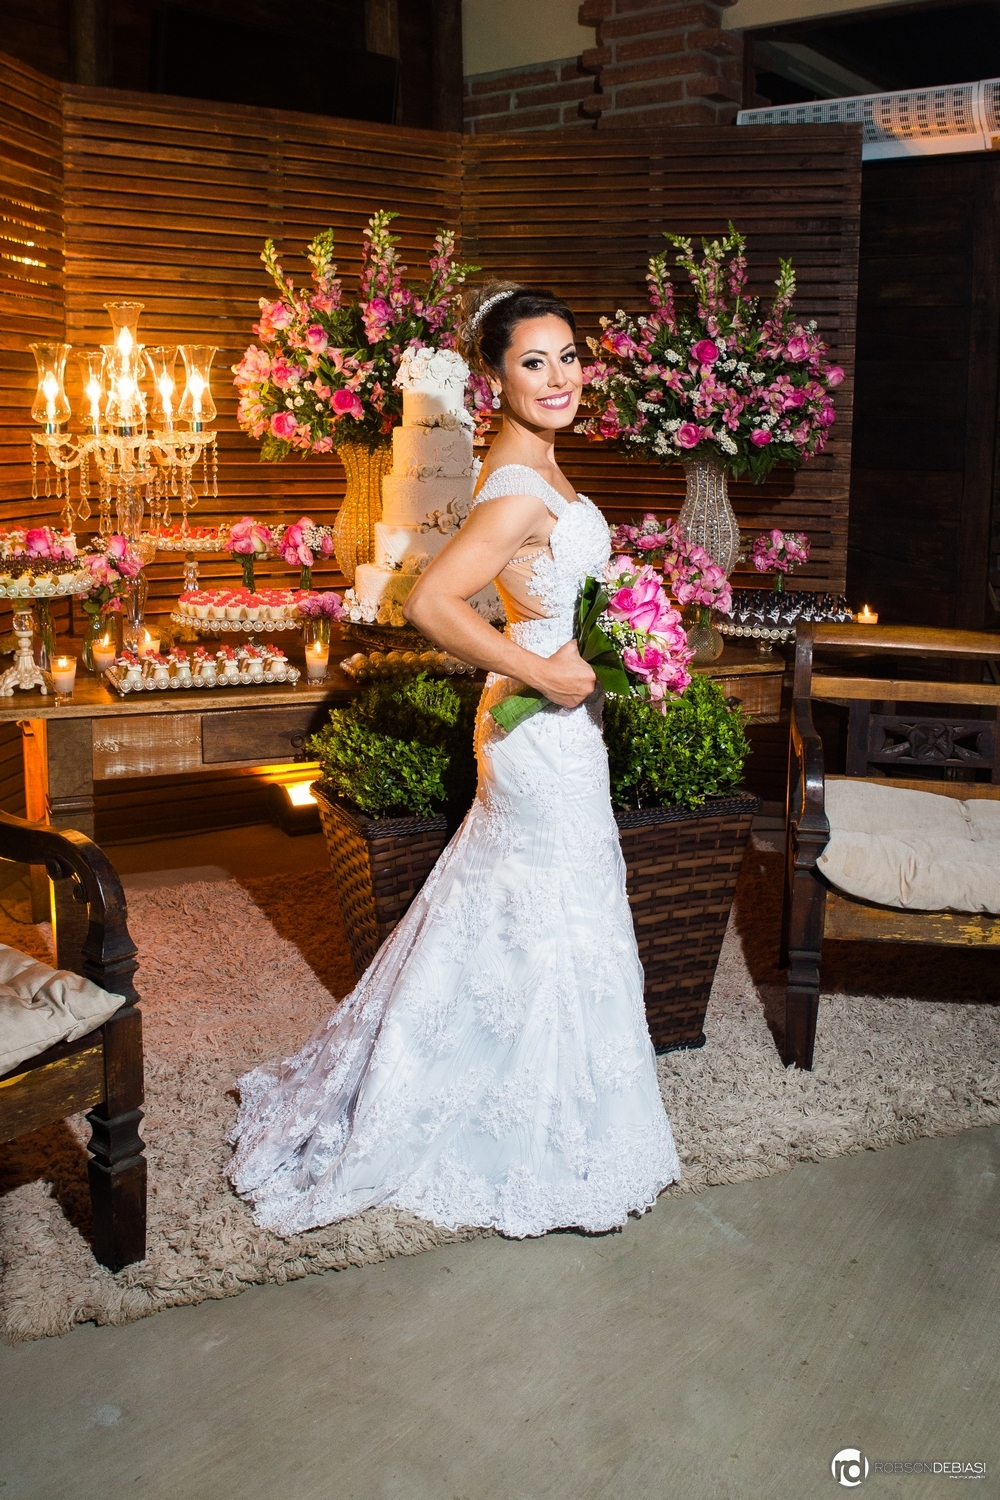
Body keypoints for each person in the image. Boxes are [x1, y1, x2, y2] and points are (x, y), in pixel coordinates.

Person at [227, 281, 680, 1238]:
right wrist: (542, 671)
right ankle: (523, 1127)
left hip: (561, 725)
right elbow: (431, 602)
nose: (558, 378)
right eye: (533, 363)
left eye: (568, 357)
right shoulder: (514, 487)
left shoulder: (542, 466)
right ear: (495, 380)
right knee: (547, 910)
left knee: (545, 906)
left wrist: (627, 644)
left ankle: (551, 1097)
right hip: (539, 728)